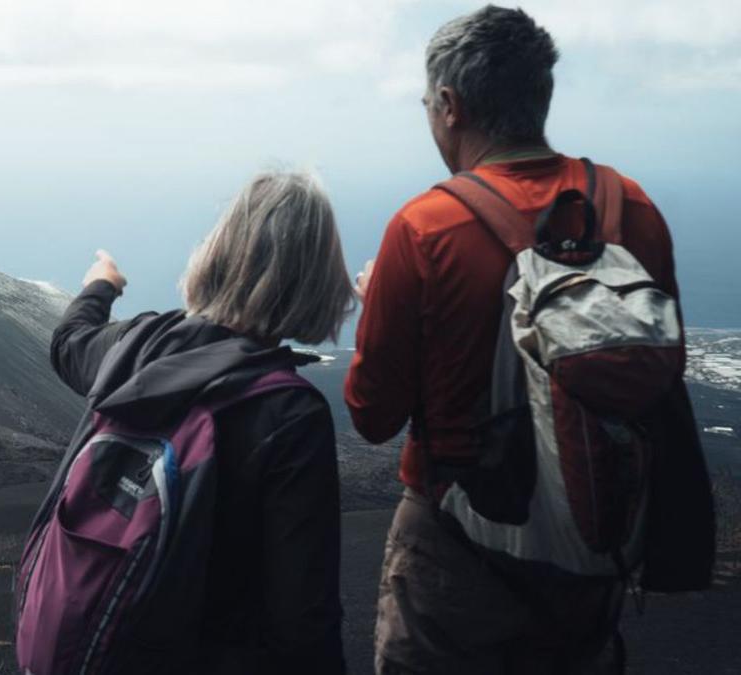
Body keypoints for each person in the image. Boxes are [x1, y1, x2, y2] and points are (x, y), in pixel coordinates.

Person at [345, 5, 714, 674]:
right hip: (596, 541)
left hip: (456, 550)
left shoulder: (425, 227)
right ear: (539, 94)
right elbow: (662, 369)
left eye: (429, 103)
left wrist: (380, 304)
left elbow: (373, 415)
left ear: (450, 105)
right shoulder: (629, 205)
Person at [48, 172, 353, 673]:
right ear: (316, 279)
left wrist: (101, 284)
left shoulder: (136, 346)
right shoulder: (292, 415)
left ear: (216, 253)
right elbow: (303, 619)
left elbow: (68, 342)